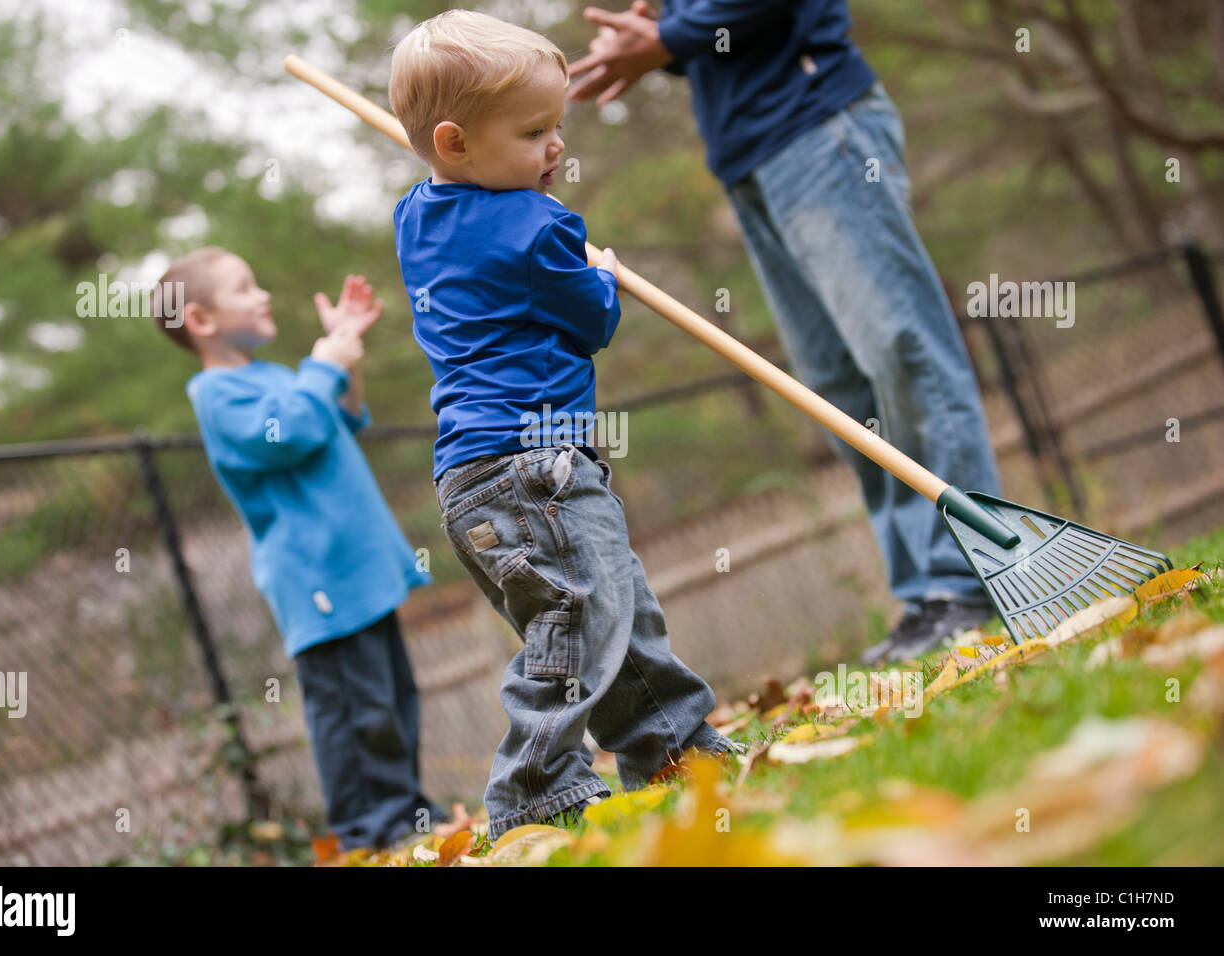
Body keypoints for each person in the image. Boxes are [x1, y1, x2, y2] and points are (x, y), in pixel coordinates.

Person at [387, 9, 741, 842]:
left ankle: (675, 752)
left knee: (611, 610)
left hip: (473, 474)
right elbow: (593, 321)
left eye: (557, 128)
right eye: (535, 131)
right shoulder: (543, 230)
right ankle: (535, 795)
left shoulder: (413, 218)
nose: (556, 149)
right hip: (536, 464)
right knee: (576, 626)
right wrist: (604, 276)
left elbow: (467, 225)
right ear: (455, 143)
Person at [567, 1, 1004, 664]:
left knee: (900, 349)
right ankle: (929, 597)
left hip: (818, 127)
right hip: (752, 157)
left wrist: (668, 38)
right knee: (839, 388)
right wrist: (665, 40)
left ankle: (968, 579)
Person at [150, 247, 451, 850]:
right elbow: (290, 431)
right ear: (202, 321)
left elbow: (342, 418)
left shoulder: (274, 378)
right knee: (355, 709)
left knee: (391, 699)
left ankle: (408, 814)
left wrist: (344, 353)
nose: (262, 295)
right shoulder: (217, 394)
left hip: (357, 571)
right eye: (244, 287)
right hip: (319, 582)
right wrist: (324, 362)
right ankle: (373, 832)